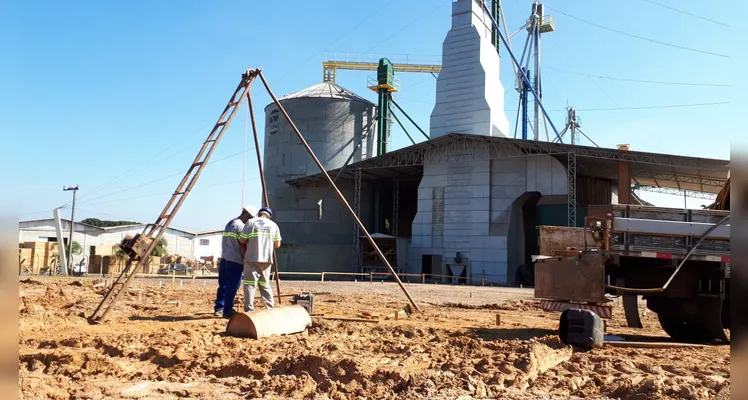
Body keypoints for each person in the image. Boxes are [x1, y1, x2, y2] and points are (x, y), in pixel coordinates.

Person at [214, 204, 257, 318]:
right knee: (233, 285)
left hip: (225, 258)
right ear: (248, 216)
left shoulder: (230, 223)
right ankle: (227, 311)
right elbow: (242, 245)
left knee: (223, 285)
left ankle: (219, 308)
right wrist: (245, 259)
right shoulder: (241, 226)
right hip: (235, 260)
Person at [239, 206, 281, 312]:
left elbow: (242, 240)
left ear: (259, 213)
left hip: (251, 258)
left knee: (250, 285)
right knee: (265, 284)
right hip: (266, 259)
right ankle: (270, 308)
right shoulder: (273, 225)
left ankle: (249, 310)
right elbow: (277, 244)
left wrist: (252, 241)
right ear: (269, 216)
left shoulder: (250, 223)